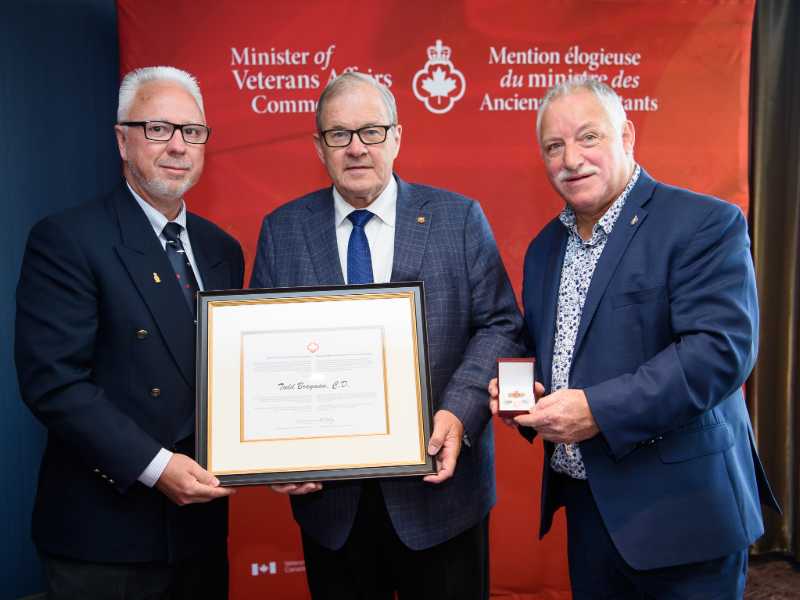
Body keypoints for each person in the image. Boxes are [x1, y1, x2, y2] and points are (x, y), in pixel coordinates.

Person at [489, 76, 779, 598]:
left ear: (626, 136)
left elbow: (719, 352)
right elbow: (552, 354)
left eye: (588, 137)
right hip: (590, 510)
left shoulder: (702, 223)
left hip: (684, 514)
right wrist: (523, 396)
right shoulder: (544, 249)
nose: (570, 159)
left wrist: (597, 410)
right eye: (554, 146)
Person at [250, 71, 524, 600]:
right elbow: (262, 352)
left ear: (397, 137)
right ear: (319, 146)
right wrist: (273, 452)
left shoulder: (459, 218)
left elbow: (501, 325)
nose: (356, 148)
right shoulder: (282, 230)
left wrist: (458, 412)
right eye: (339, 134)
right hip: (332, 508)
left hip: (443, 499)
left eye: (371, 131)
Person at [15, 66, 244, 599]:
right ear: (123, 140)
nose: (178, 146)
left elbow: (230, 375)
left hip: (201, 532)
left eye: (192, 131)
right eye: (158, 129)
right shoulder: (68, 239)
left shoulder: (221, 249)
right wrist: (156, 467)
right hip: (105, 536)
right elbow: (54, 383)